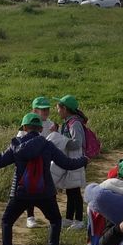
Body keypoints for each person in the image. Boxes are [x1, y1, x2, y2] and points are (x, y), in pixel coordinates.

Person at [0, 114, 88, 245]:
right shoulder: (47, 145)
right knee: (55, 220)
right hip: (45, 192)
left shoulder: (16, 146)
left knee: (7, 222)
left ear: (24, 128)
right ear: (41, 129)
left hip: (21, 193)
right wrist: (84, 160)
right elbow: (66, 163)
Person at [51, 95, 89, 233]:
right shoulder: (68, 122)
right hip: (71, 160)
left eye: (58, 108)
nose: (57, 110)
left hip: (76, 160)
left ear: (65, 109)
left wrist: (62, 141)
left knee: (75, 191)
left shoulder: (75, 124)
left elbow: (77, 143)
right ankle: (68, 218)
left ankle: (78, 220)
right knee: (70, 189)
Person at [24, 96, 55, 228]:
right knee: (30, 190)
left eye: (47, 109)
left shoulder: (51, 124)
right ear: (34, 111)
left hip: (45, 164)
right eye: (42, 110)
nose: (46, 112)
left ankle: (53, 217)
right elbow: (20, 140)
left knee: (48, 190)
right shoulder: (27, 124)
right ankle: (30, 217)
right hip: (30, 164)